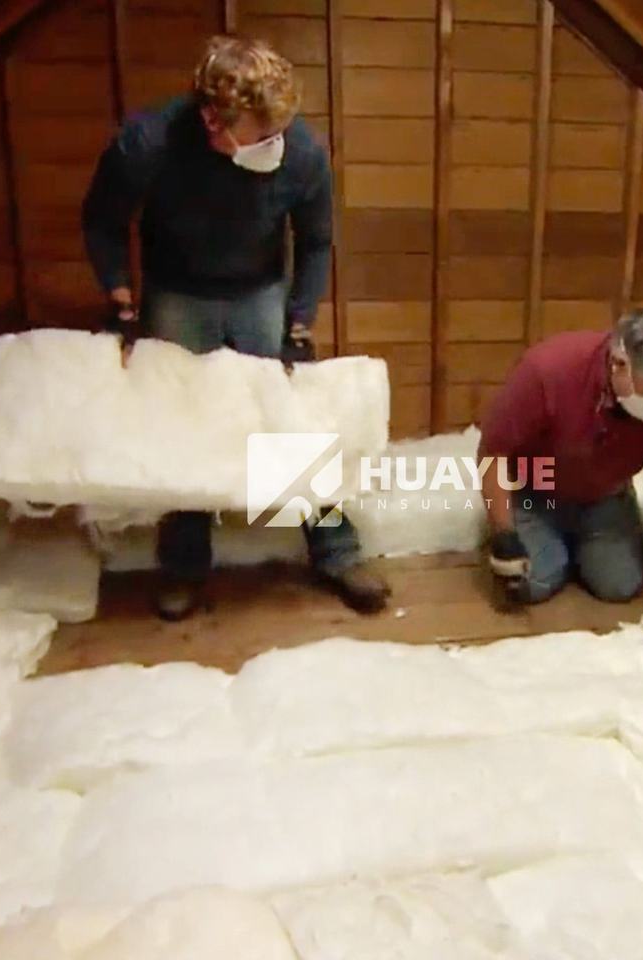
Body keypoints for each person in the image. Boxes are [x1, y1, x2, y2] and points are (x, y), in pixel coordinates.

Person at [82, 34, 390, 621]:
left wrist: (299, 321)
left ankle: (337, 552)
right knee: (188, 427)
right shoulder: (147, 143)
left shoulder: (300, 152)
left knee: (285, 420)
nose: (276, 145)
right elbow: (102, 219)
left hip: (259, 292)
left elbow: (316, 240)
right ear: (211, 121)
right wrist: (119, 296)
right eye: (261, 136)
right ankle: (184, 566)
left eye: (280, 132)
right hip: (177, 293)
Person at [478, 307, 643, 670]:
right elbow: (493, 453)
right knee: (532, 583)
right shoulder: (549, 370)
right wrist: (504, 533)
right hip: (534, 489)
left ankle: (591, 536)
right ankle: (539, 539)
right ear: (619, 364)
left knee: (619, 586)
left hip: (605, 493)